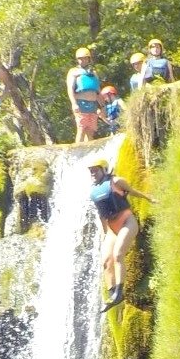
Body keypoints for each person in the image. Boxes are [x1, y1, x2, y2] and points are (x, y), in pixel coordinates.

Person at [88, 157, 155, 311]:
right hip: (112, 229)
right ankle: (113, 294)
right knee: (106, 261)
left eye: (95, 170)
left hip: (127, 222)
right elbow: (102, 216)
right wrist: (104, 234)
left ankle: (119, 291)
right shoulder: (93, 192)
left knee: (118, 255)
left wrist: (149, 198)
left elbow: (132, 192)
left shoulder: (116, 182)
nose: (92, 173)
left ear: (104, 170)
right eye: (91, 171)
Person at [66, 47, 103, 143]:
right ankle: (78, 151)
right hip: (81, 103)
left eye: (84, 58)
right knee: (81, 129)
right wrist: (74, 104)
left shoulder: (93, 73)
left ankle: (89, 153)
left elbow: (98, 91)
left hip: (93, 104)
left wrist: (102, 106)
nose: (82, 60)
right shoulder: (73, 72)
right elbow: (70, 89)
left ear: (88, 59)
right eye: (80, 58)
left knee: (90, 131)